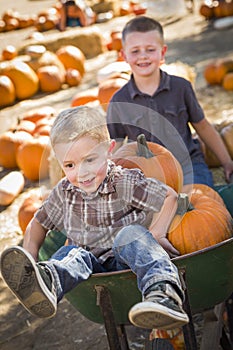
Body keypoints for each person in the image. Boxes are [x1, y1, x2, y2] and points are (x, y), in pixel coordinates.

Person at [0, 106, 189, 330]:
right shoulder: (64, 192)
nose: (82, 173)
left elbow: (168, 195)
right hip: (90, 269)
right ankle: (47, 280)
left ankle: (163, 292)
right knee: (73, 253)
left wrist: (157, 233)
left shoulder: (122, 182)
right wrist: (30, 259)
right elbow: (38, 223)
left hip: (127, 261)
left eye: (90, 160)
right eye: (70, 165)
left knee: (130, 235)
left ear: (109, 151)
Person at [106, 16, 233, 187]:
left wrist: (226, 162)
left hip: (189, 166)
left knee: (198, 203)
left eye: (150, 49)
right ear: (124, 56)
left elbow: (203, 126)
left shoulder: (181, 88)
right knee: (154, 211)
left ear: (163, 53)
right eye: (135, 51)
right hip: (147, 174)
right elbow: (117, 145)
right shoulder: (119, 102)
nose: (143, 56)